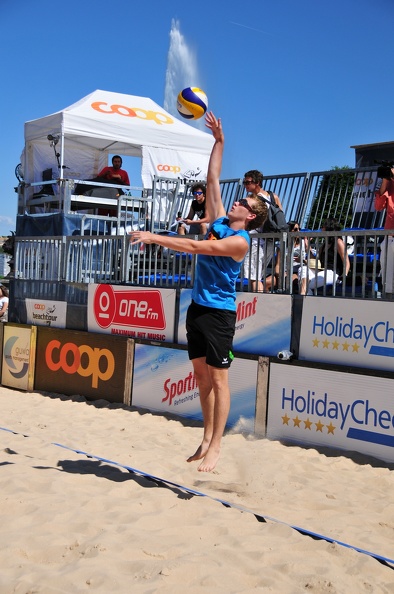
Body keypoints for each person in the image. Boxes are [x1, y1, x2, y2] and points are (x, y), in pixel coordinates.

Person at [130, 112, 267, 472]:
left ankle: (218, 445)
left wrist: (153, 237)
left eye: (245, 204)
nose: (238, 202)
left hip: (219, 315)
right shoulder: (221, 219)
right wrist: (219, 141)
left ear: (251, 217)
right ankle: (206, 436)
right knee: (201, 377)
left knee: (220, 382)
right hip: (197, 308)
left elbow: (193, 249)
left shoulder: (239, 242)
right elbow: (212, 179)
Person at [242, 170, 284, 292]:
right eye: (244, 182)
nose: (245, 184)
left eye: (248, 182)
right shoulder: (273, 196)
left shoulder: (251, 199)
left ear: (258, 182)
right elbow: (281, 216)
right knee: (257, 275)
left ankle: (257, 305)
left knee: (253, 277)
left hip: (256, 240)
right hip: (270, 239)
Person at [298, 218, 350, 295]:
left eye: (323, 227)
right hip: (322, 270)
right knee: (302, 269)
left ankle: (304, 298)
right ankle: (305, 297)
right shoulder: (324, 245)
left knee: (304, 283)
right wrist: (308, 247)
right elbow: (316, 262)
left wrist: (344, 275)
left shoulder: (338, 242)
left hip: (333, 273)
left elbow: (346, 261)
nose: (321, 229)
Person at [265, 221, 310, 293]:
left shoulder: (303, 244)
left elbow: (313, 262)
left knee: (288, 280)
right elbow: (278, 265)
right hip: (284, 272)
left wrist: (303, 259)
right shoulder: (282, 245)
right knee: (266, 283)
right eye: (295, 229)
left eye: (299, 229)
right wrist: (280, 274)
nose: (298, 231)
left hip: (297, 272)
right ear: (289, 231)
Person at [374, 166, 394, 298]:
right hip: (389, 235)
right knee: (387, 274)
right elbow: (378, 206)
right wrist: (385, 181)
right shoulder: (389, 185)